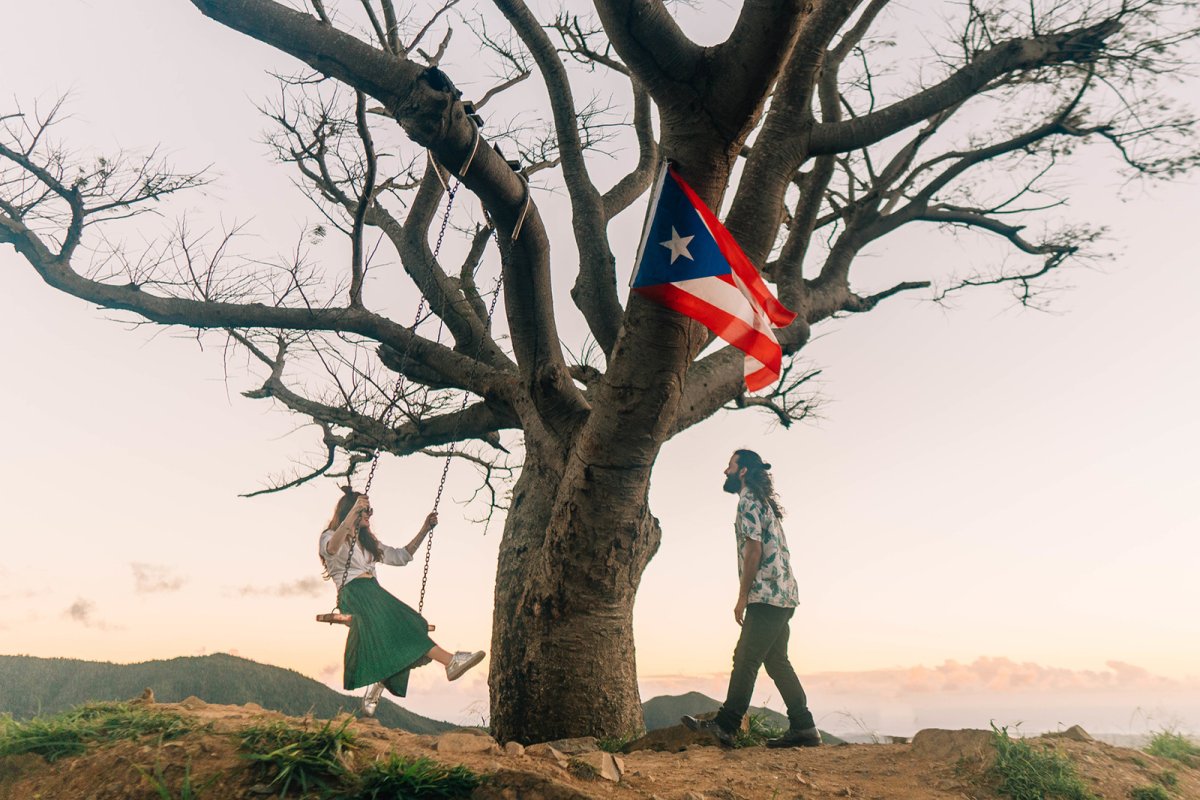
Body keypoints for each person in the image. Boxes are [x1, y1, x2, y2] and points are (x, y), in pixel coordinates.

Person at [682, 449, 821, 748]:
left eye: (730, 466)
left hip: (767, 596)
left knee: (745, 658)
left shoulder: (747, 501)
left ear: (742, 471)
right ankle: (804, 727)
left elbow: (753, 550)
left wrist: (742, 596)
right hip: (785, 595)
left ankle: (727, 725)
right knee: (777, 661)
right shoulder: (764, 503)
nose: (725, 471)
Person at [320, 487, 485, 716]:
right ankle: (451, 661)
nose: (369, 515)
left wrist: (424, 530)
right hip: (354, 594)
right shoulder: (329, 536)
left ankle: (383, 679)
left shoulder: (369, 544)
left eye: (370, 511)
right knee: (404, 624)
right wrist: (352, 514)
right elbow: (332, 549)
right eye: (364, 510)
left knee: (415, 623)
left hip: (374, 593)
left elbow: (401, 556)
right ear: (351, 511)